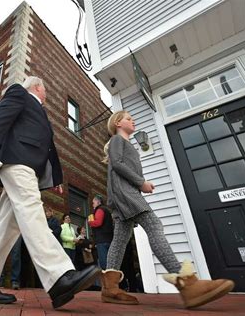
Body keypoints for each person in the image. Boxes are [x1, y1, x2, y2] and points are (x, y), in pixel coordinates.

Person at [0, 76, 100, 309]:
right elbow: (3, 113)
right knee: (32, 210)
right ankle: (59, 276)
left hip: (29, 167)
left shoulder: (40, 112)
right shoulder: (19, 92)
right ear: (38, 87)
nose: (46, 95)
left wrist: (55, 178)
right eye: (46, 90)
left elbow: (47, 146)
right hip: (17, 161)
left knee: (6, 229)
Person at [100, 110, 235, 308]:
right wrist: (141, 183)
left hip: (125, 194)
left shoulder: (125, 144)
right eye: (129, 118)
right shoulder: (117, 141)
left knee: (120, 240)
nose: (133, 120)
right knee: (154, 226)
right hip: (126, 195)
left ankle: (110, 289)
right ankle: (187, 284)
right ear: (118, 123)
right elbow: (118, 166)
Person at [88, 194, 113, 270]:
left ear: (98, 202)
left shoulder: (100, 209)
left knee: (104, 264)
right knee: (110, 262)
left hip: (102, 241)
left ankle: (108, 280)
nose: (92, 205)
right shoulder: (107, 211)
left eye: (93, 203)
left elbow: (98, 222)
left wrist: (90, 222)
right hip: (109, 239)